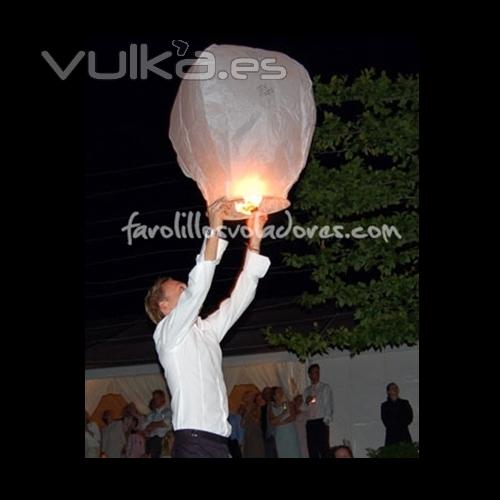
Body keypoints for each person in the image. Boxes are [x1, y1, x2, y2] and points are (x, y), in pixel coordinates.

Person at [145, 198, 270, 458]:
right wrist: (214, 227)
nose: (187, 289)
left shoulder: (205, 331)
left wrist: (254, 240)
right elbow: (200, 284)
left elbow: (240, 299)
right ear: (164, 306)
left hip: (219, 441)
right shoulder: (167, 334)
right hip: (193, 440)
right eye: (181, 289)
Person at [303, 364, 334, 458]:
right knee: (312, 450)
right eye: (313, 372)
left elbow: (328, 404)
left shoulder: (325, 387)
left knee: (324, 449)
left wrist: (326, 421)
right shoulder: (307, 390)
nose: (316, 375)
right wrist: (306, 402)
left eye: (317, 372)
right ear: (309, 375)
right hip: (310, 422)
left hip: (321, 421)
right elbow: (304, 408)